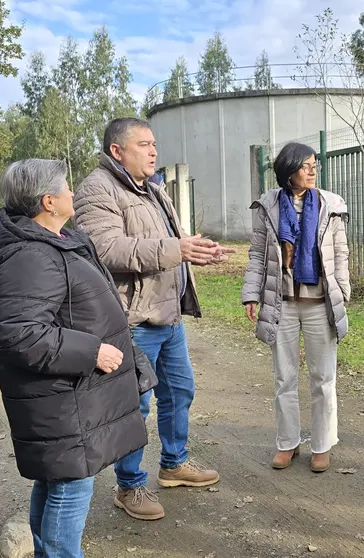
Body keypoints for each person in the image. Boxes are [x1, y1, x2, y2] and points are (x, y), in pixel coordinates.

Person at [0, 159, 148, 557]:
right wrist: (91, 351)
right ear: (48, 201)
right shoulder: (29, 256)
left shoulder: (55, 241)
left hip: (67, 394)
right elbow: (19, 334)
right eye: (67, 188)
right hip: (60, 397)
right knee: (71, 486)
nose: (75, 193)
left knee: (56, 479)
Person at [73, 118, 232, 521]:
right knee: (134, 407)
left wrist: (198, 253)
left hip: (166, 315)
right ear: (117, 151)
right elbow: (107, 249)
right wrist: (176, 248)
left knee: (180, 393)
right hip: (132, 320)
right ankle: (129, 487)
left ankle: (174, 464)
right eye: (143, 144)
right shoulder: (97, 189)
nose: (153, 151)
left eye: (154, 144)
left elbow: (170, 247)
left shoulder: (153, 190)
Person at [242, 142, 350, 473]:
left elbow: (341, 252)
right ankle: (287, 443)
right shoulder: (269, 205)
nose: (312, 171)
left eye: (314, 165)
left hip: (320, 304)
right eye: (306, 166)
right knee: (284, 378)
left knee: (323, 378)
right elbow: (258, 253)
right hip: (283, 304)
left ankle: (321, 444)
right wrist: (251, 293)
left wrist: (343, 290)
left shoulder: (330, 204)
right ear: (289, 171)